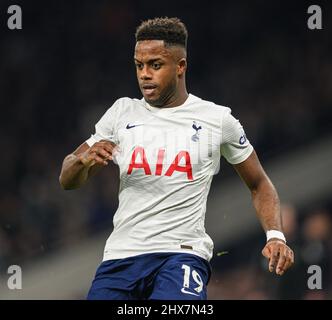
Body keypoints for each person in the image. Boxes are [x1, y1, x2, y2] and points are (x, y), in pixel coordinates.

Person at [59, 17, 294, 300]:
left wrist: (275, 235)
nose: (145, 74)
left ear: (180, 66)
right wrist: (82, 162)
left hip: (181, 256)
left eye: (155, 65)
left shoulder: (217, 119)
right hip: (121, 257)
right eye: (139, 65)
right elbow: (67, 180)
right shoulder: (122, 113)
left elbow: (259, 183)